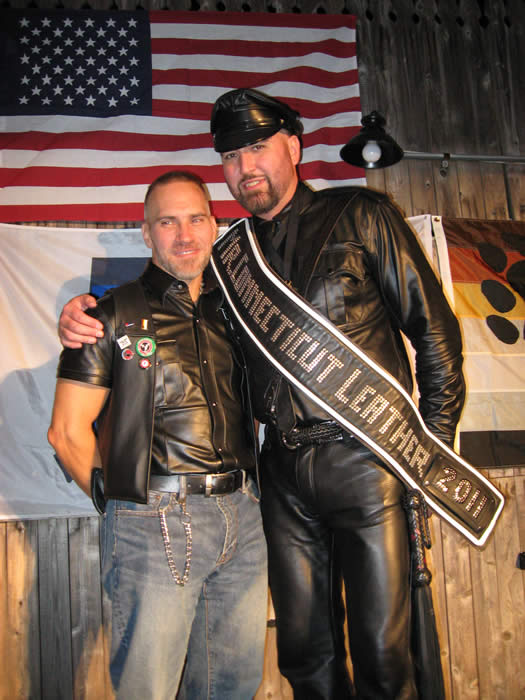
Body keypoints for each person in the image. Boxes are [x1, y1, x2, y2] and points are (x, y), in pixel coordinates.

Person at [58, 90, 466, 700]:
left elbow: (435, 335)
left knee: (384, 656)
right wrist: (81, 313)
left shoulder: (361, 215)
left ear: (294, 149)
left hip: (368, 459)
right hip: (279, 478)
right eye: (230, 155)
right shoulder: (228, 262)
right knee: (304, 655)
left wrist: (429, 455)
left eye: (257, 147)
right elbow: (160, 305)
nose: (245, 166)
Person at [48, 171, 268, 700]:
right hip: (154, 521)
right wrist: (124, 507)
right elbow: (66, 433)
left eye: (196, 219)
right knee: (148, 689)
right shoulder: (108, 316)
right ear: (147, 233)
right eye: (168, 222)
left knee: (232, 687)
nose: (185, 235)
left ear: (214, 226)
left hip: (244, 514)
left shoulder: (236, 312)